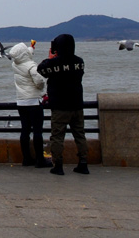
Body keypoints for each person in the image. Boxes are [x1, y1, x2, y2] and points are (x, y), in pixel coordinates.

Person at [36, 33, 89, 175]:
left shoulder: (53, 63)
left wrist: (51, 57)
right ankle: (83, 163)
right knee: (80, 134)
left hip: (59, 106)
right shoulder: (79, 62)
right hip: (77, 104)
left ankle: (58, 165)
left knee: (57, 136)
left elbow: (40, 69)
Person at [9, 40, 52, 168]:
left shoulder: (15, 65)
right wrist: (42, 89)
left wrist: (31, 47)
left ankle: (26, 159)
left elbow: (26, 54)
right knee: (37, 131)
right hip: (33, 101)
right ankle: (40, 160)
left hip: (21, 102)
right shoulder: (32, 66)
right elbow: (39, 81)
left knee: (25, 130)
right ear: (24, 54)